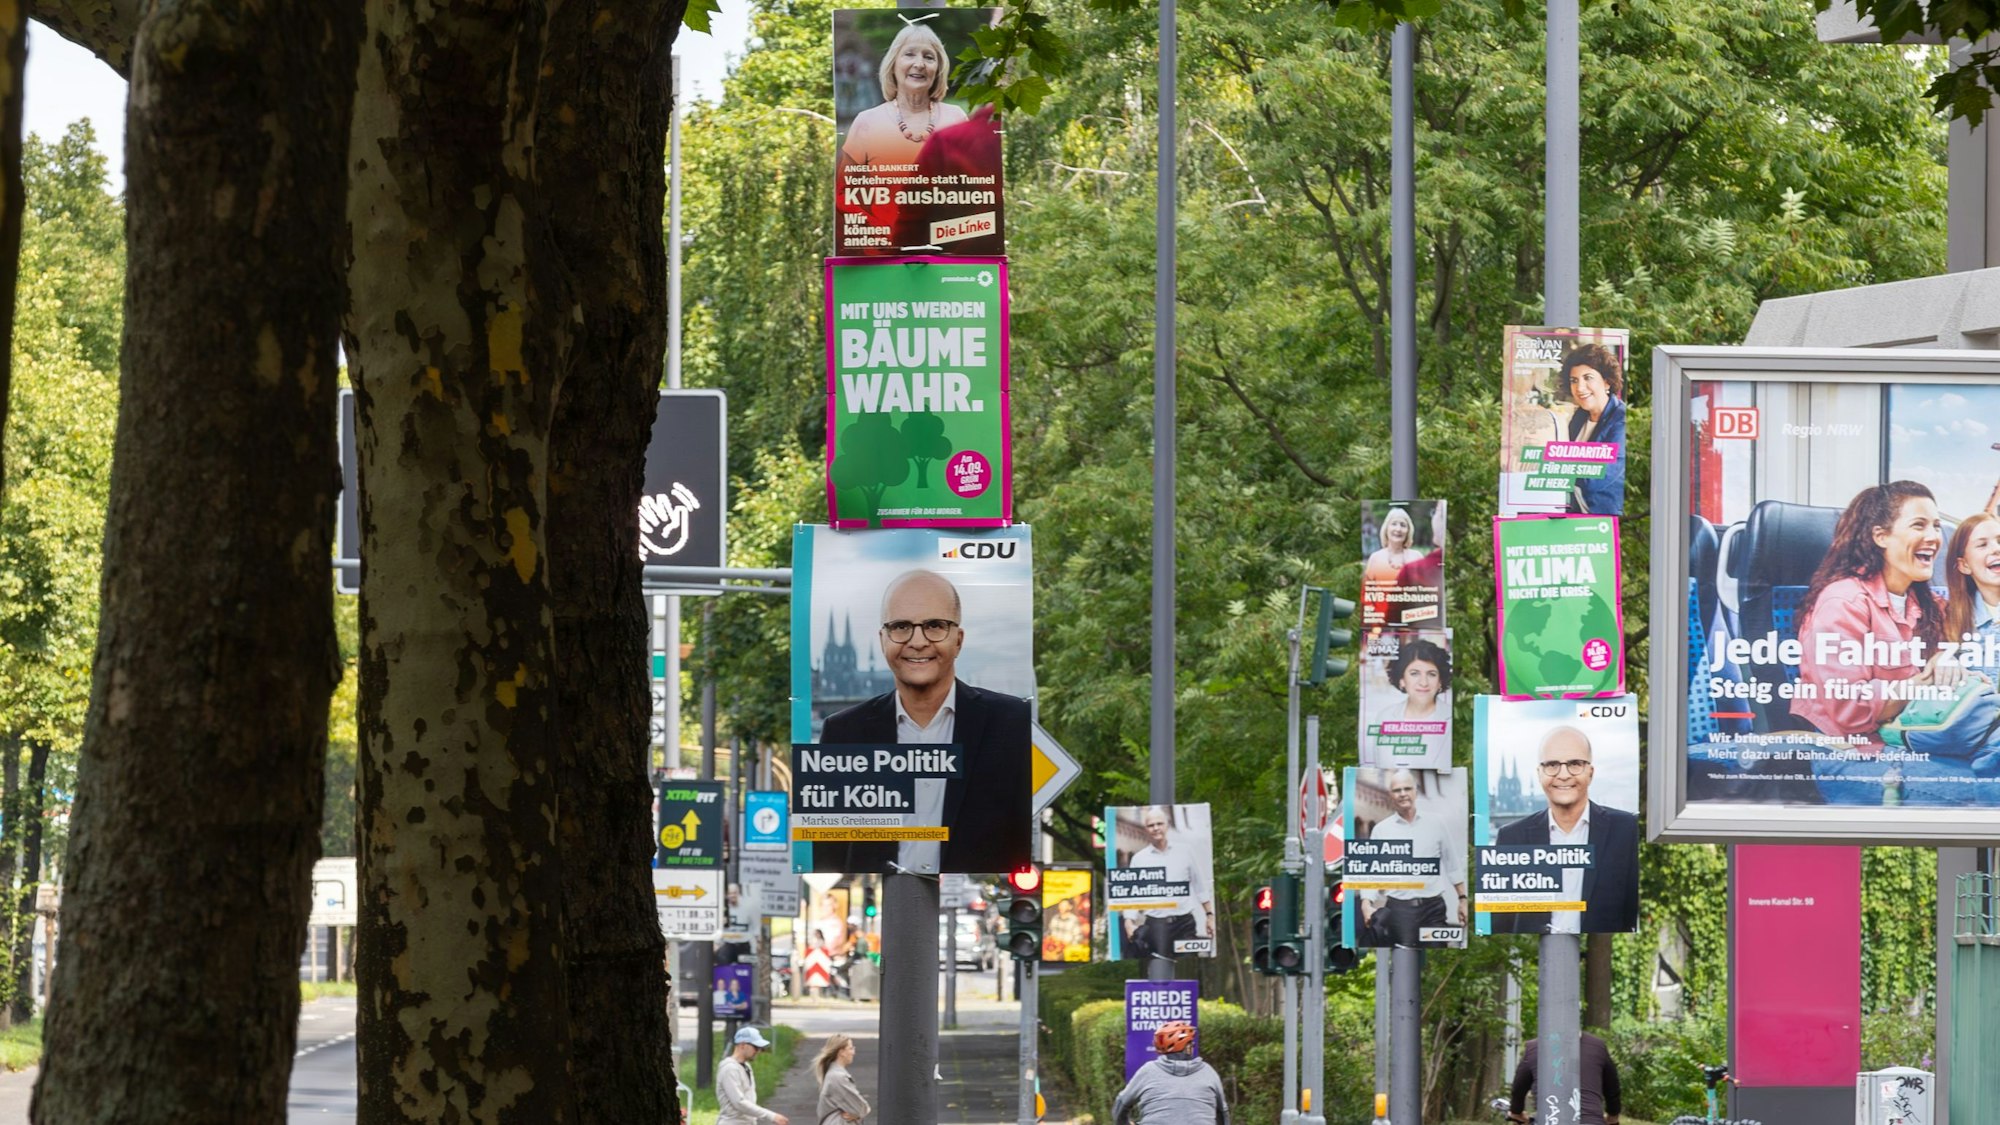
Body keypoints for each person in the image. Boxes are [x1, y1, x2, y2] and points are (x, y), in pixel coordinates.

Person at [1790, 482, 2000, 804]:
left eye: (1936, 525)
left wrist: (1949, 666)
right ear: (1881, 536)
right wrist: (1922, 682)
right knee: (1985, 796)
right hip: (1859, 758)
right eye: (1919, 524)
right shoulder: (1844, 601)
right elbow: (1851, 709)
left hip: (1919, 743)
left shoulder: (1927, 606)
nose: (1934, 537)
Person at [817, 569, 1032, 874]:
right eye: (901, 626)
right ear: (883, 640)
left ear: (958, 640)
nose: (917, 641)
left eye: (935, 626)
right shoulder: (843, 732)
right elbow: (830, 854)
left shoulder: (1011, 724)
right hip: (881, 907)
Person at [1490, 726, 1639, 934]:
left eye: (1575, 764)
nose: (1563, 774)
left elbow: (1630, 910)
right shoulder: (1512, 837)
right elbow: (1501, 923)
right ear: (1539, 773)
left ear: (1591, 772)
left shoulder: (1625, 830)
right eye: (1552, 765)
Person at [836, 21, 970, 250]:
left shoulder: (956, 118)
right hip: (885, 254)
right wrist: (875, 232)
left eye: (929, 57)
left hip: (948, 251)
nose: (919, 64)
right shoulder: (867, 121)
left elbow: (978, 187)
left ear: (938, 68)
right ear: (893, 64)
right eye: (909, 54)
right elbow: (844, 193)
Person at [1359, 770, 1466, 947]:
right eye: (1397, 790)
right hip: (1400, 912)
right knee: (1405, 959)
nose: (1403, 794)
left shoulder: (1436, 823)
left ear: (1415, 791)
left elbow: (1452, 863)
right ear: (1390, 795)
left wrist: (1462, 899)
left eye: (1407, 788)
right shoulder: (1381, 830)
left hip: (1434, 910)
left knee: (1436, 952)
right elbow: (1372, 872)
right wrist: (1366, 903)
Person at [1118, 806, 1215, 961]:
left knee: (1188, 966)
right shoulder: (1139, 859)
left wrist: (1210, 915)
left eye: (1159, 824)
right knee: (1159, 968)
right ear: (1146, 829)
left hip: (1185, 924)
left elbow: (1199, 886)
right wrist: (1129, 921)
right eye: (1151, 825)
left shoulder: (1185, 852)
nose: (1156, 828)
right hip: (1157, 928)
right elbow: (1133, 894)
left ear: (1167, 825)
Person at [1555, 343, 1627, 516]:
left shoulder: (1620, 420)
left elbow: (1595, 478)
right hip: (1575, 516)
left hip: (1604, 523)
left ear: (1606, 382)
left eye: (1588, 378)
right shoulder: (1579, 417)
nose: (1580, 388)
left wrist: (1556, 469)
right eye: (1574, 380)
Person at [1111, 1022, 1228, 1125]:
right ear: (1188, 1048)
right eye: (1191, 1044)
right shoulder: (1208, 1072)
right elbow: (1222, 1113)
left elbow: (1121, 1106)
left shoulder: (1148, 1071)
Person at [1365, 636, 1453, 769]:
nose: (1423, 682)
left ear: (1440, 681)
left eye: (1431, 674)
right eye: (1414, 673)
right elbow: (1380, 770)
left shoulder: (1451, 718)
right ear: (1402, 680)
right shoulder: (1385, 717)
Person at [1507, 1032, 1621, 1125]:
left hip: (1549, 1120)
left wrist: (1516, 1112)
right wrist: (1613, 1116)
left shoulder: (1534, 1047)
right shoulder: (1597, 1046)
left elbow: (1518, 1089)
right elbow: (1612, 1088)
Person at [1943, 510, 2000, 683]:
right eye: (1982, 545)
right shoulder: (1951, 622)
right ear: (1964, 565)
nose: (1997, 549)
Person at [717, 1026, 790, 1125]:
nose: (758, 1051)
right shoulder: (729, 1069)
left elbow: (749, 1099)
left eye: (760, 1048)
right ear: (742, 1045)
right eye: (756, 1047)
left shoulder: (746, 1066)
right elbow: (739, 1102)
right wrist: (771, 1116)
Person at [1363, 506, 1423, 624]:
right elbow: (1367, 596)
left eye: (1403, 525)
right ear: (1386, 528)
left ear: (1408, 531)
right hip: (1382, 625)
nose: (1398, 529)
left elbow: (1428, 593)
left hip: (1412, 624)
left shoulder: (1417, 557)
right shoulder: (1375, 558)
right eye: (1394, 524)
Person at [814, 1033, 871, 1125]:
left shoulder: (833, 1074)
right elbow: (860, 1107)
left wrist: (859, 1113)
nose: (853, 1052)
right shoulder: (838, 1077)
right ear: (841, 1052)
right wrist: (862, 1111)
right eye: (851, 1048)